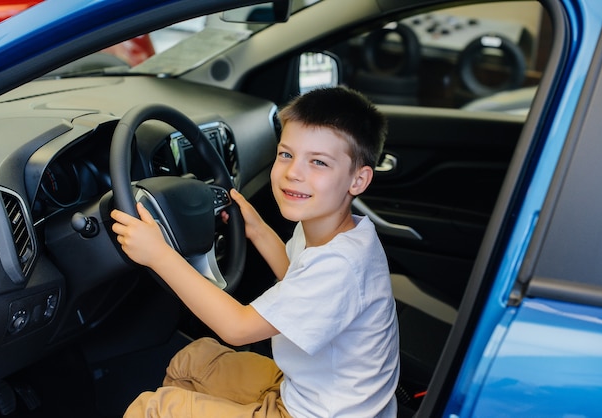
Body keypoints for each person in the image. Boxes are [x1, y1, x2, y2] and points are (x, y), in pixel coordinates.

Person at [111, 86, 399, 417]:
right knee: (191, 361)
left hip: (316, 413)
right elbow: (295, 274)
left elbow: (238, 328)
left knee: (155, 409)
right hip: (309, 391)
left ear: (358, 180)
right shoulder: (332, 228)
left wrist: (158, 254)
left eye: (318, 162)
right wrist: (259, 230)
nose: (294, 172)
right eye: (286, 154)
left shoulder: (341, 264)